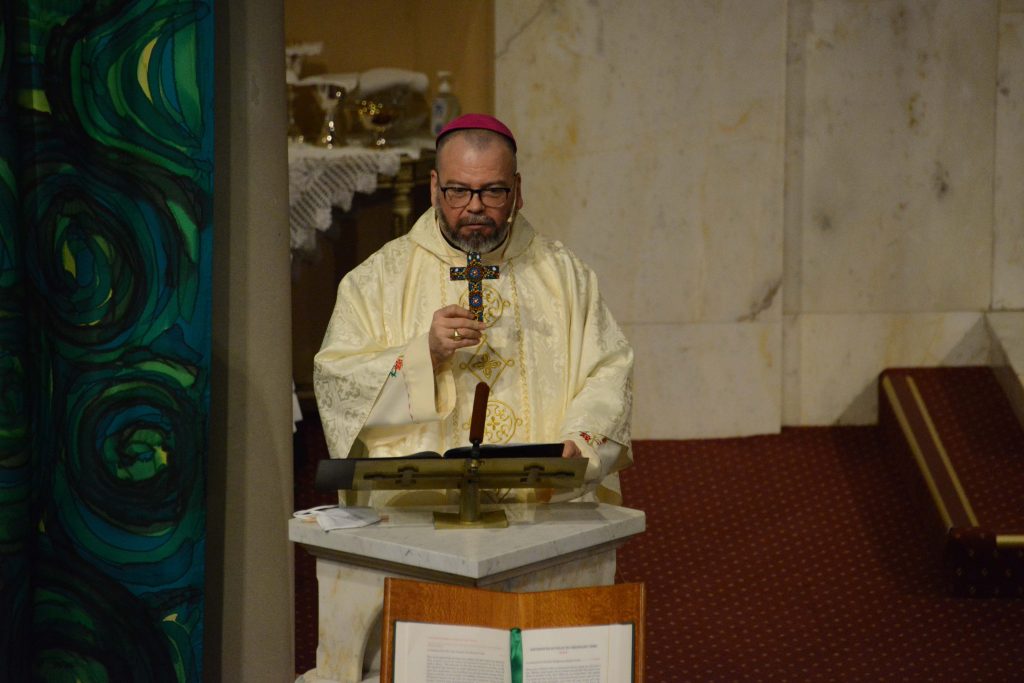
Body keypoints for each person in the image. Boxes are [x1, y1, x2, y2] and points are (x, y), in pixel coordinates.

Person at [313, 113, 633, 507]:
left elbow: (609, 369)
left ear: (517, 190)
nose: (475, 207)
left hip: (542, 504)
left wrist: (580, 441)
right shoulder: (377, 279)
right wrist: (424, 355)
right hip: (420, 511)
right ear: (435, 188)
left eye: (493, 191)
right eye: (459, 191)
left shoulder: (566, 276)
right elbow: (336, 383)